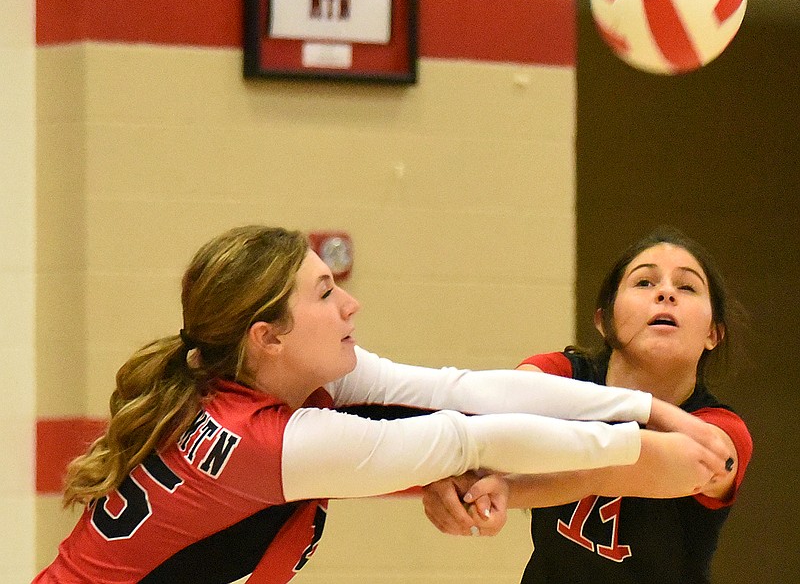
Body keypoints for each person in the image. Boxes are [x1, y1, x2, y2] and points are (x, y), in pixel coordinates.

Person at [34, 225, 730, 584]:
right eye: (325, 293)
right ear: (267, 338)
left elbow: (460, 390)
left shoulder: (285, 380)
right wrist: (638, 446)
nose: (352, 301)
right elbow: (466, 439)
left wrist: (649, 414)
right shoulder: (271, 442)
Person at [421, 226, 753, 584]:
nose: (666, 293)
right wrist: (449, 480)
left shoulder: (721, 428)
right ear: (603, 321)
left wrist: (509, 488)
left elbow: (611, 467)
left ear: (712, 334)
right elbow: (484, 423)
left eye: (686, 287)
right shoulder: (560, 373)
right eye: (644, 283)